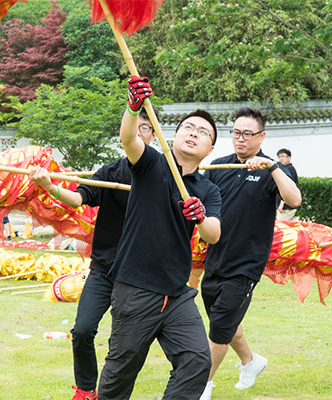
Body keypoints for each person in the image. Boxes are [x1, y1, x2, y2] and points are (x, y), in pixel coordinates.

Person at [98, 77, 222, 400]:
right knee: (120, 371)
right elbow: (128, 139)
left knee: (197, 361)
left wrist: (201, 217)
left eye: (204, 132)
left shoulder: (208, 190)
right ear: (175, 135)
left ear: (210, 149)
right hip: (135, 288)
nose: (195, 133)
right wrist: (133, 106)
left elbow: (214, 233)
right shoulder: (152, 164)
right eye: (189, 128)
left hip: (176, 294)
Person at [29, 107, 157, 400]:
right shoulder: (110, 172)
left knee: (125, 342)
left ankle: (114, 392)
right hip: (104, 269)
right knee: (83, 329)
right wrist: (49, 186)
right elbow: (77, 198)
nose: (138, 133)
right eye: (133, 126)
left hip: (140, 276)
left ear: (154, 134)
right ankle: (86, 389)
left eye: (145, 128)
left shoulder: (163, 174)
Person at [199, 107, 301, 400]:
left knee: (220, 325)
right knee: (225, 321)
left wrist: (271, 167)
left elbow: (294, 200)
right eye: (236, 133)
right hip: (216, 257)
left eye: (247, 134)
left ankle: (202, 385)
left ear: (261, 136)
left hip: (246, 264)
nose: (240, 139)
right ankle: (251, 361)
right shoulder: (219, 166)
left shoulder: (272, 170)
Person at [276, 148, 299, 221]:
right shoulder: (283, 168)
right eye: (279, 157)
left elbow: (288, 189)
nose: (281, 159)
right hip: (283, 207)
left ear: (289, 157)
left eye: (283, 156)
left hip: (286, 208)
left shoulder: (289, 169)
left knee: (281, 227)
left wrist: (281, 205)